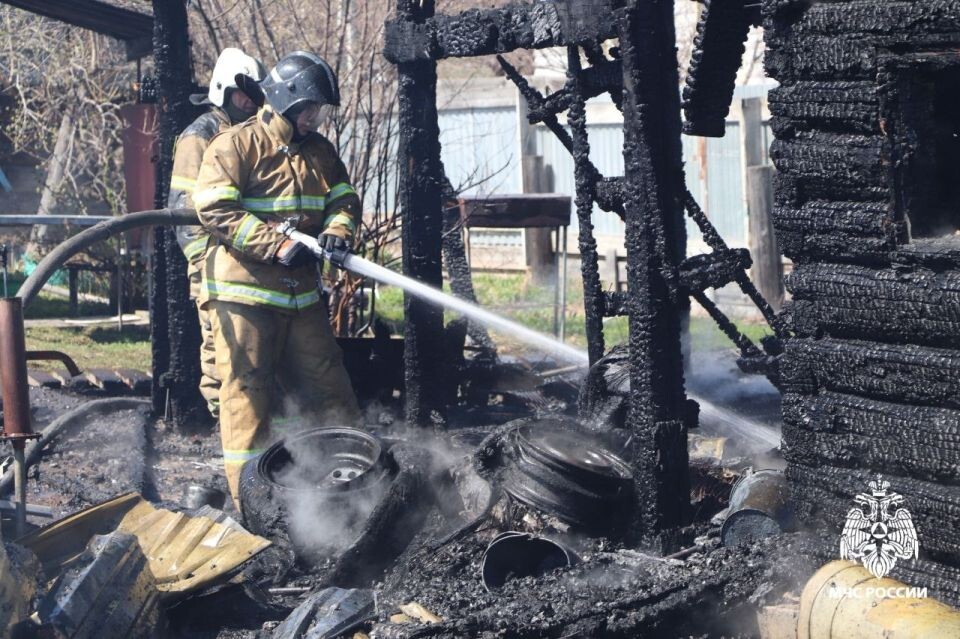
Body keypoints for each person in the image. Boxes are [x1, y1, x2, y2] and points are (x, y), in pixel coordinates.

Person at [193, 51, 361, 501]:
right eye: (308, 108)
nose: (314, 117)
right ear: (284, 100)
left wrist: (337, 231)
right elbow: (214, 207)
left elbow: (344, 199)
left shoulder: (321, 152)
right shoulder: (235, 145)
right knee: (248, 400)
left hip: (301, 297)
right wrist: (276, 245)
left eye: (318, 110)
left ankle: (352, 493)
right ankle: (253, 507)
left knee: (331, 389)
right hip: (244, 295)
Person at [167, 47, 266, 420]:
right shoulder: (200, 135)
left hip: (250, 257)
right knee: (218, 341)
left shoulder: (253, 132)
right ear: (224, 90)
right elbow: (185, 209)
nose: (251, 100)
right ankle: (222, 421)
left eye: (255, 92)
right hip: (213, 260)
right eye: (244, 92)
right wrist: (205, 259)